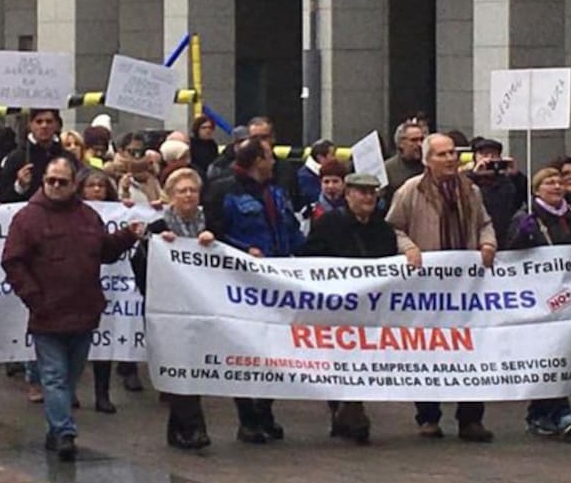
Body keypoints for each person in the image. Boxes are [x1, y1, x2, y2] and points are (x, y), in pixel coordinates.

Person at [0, 157, 142, 461]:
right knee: (53, 376)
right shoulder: (27, 218)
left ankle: (56, 426)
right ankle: (65, 431)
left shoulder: (88, 216)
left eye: (61, 182)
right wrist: (34, 298)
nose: (54, 186)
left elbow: (104, 251)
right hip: (47, 314)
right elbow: (13, 262)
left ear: (72, 184)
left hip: (84, 311)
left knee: (70, 375)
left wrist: (127, 235)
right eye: (50, 180)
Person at [386, 133, 496, 442]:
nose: (450, 159)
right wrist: (407, 247)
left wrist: (487, 243)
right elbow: (393, 226)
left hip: (466, 287)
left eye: (453, 153)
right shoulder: (411, 191)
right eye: (443, 154)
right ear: (427, 160)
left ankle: (471, 418)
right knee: (429, 348)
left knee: (470, 349)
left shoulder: (469, 190)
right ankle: (429, 415)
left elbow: (485, 223)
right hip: (427, 287)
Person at [205, 139, 305, 443]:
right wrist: (243, 250)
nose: (273, 162)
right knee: (247, 349)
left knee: (276, 349)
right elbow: (215, 234)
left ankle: (265, 410)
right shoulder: (223, 190)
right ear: (255, 161)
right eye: (268, 157)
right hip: (242, 282)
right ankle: (248, 417)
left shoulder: (276, 191)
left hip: (279, 280)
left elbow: (290, 230)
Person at [302, 172, 398, 444]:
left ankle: (349, 409)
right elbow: (311, 257)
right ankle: (348, 409)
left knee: (363, 358)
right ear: (348, 195)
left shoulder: (382, 228)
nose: (368, 197)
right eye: (361, 192)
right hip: (337, 306)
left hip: (370, 309)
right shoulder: (330, 223)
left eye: (372, 193)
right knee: (339, 358)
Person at [131, 167, 216, 449]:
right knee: (180, 365)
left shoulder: (212, 224)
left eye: (193, 190)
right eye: (182, 191)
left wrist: (214, 243)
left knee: (194, 365)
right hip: (169, 309)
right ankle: (194, 429)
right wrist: (156, 249)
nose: (188, 195)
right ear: (170, 196)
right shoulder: (158, 228)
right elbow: (138, 266)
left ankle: (179, 430)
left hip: (203, 307)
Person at [506, 167, 571, 440]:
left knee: (563, 352)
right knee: (546, 353)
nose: (556, 186)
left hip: (567, 295)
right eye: (549, 183)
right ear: (536, 189)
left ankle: (551, 413)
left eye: (558, 182)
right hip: (539, 296)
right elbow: (511, 255)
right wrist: (522, 235)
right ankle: (551, 412)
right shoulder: (526, 217)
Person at [77, 170, 128, 413]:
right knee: (74, 343)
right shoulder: (72, 212)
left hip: (109, 286)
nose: (96, 190)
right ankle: (70, 391)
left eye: (101, 185)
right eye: (91, 185)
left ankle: (102, 394)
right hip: (78, 284)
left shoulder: (118, 211)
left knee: (104, 341)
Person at [0, 109, 71, 204]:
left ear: (57, 125)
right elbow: (3, 198)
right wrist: (20, 186)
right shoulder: (15, 158)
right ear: (30, 125)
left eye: (49, 121)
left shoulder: (68, 158)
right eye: (39, 122)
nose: (44, 126)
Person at [465, 137, 528, 245]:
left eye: (493, 155)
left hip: (505, 233)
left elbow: (525, 197)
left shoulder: (508, 180)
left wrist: (516, 176)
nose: (489, 159)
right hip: (476, 234)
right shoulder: (467, 179)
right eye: (484, 154)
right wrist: (475, 175)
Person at [383, 121, 426, 207]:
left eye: (422, 139)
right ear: (400, 143)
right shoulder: (388, 169)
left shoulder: (430, 166)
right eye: (414, 140)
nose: (419, 144)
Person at [296, 139, 335, 208]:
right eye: (332, 155)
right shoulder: (305, 177)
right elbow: (315, 199)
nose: (334, 158)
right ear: (320, 158)